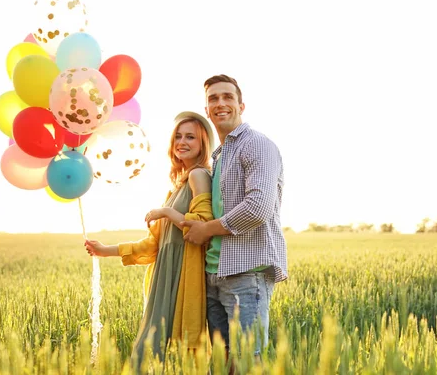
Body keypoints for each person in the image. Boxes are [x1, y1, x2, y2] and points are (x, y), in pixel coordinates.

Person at [84, 111, 216, 368]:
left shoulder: (198, 175)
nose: (182, 142)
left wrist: (166, 212)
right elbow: (153, 245)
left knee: (168, 347)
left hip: (182, 274)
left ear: (202, 144)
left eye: (191, 137)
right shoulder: (177, 185)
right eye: (178, 136)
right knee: (154, 344)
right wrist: (105, 251)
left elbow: (201, 225)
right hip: (165, 274)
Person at [181, 74, 288, 357]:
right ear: (207, 110)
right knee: (222, 362)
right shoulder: (220, 156)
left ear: (241, 106)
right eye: (213, 99)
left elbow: (258, 206)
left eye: (228, 97)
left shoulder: (256, 144)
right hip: (214, 273)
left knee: (246, 362)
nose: (221, 103)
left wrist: (207, 230)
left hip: (246, 274)